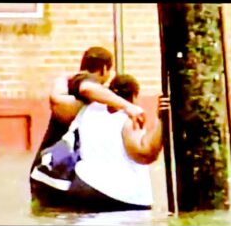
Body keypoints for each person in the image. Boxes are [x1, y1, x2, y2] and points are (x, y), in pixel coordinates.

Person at [30, 47, 145, 209]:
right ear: (104, 69)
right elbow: (86, 88)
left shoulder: (71, 90)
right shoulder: (82, 81)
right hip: (61, 172)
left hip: (47, 169)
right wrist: (127, 106)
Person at [66, 74, 167, 211]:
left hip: (84, 185)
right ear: (135, 96)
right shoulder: (128, 120)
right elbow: (145, 154)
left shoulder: (89, 109)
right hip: (123, 197)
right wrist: (161, 120)